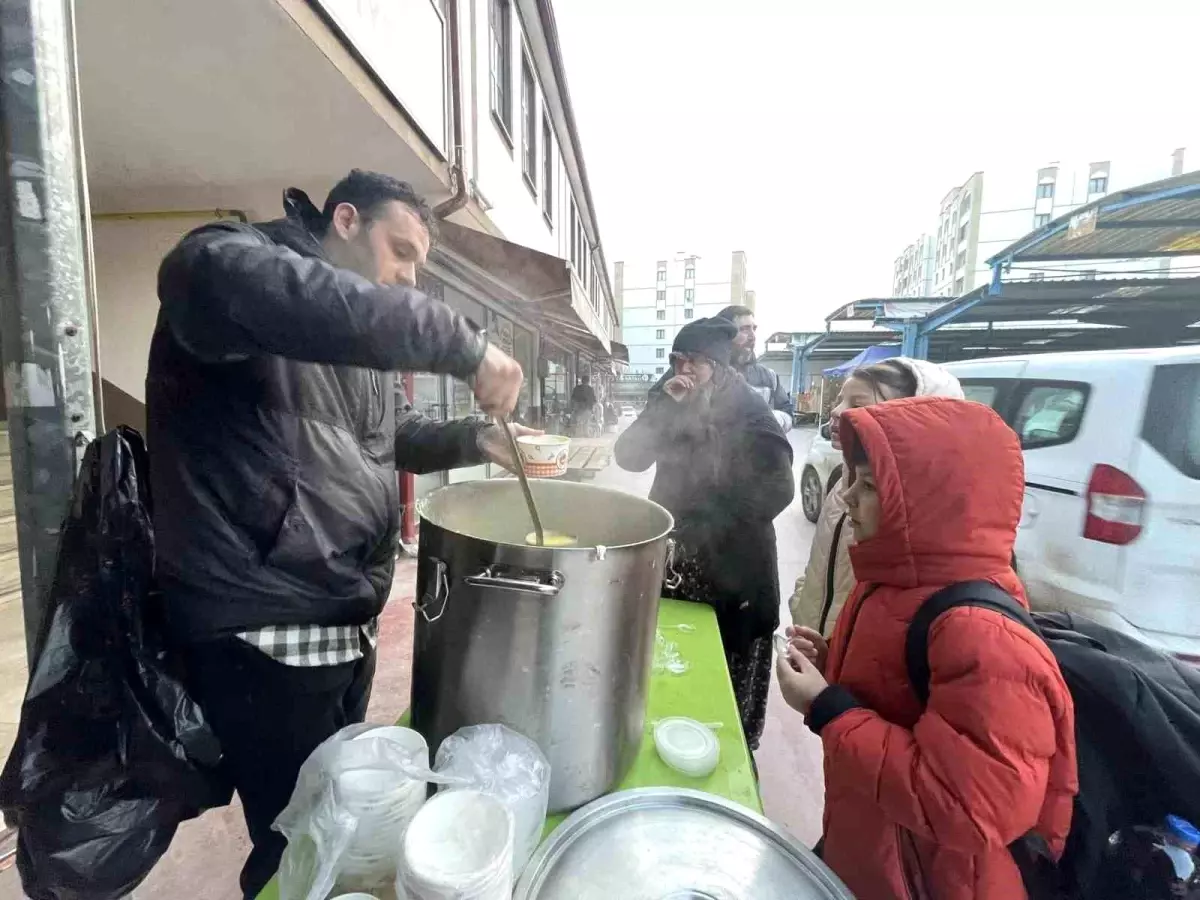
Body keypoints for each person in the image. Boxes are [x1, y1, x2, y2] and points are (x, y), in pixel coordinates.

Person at [147, 170, 531, 898]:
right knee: (296, 841)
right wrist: (462, 344)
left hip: (337, 620)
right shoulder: (235, 269)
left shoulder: (350, 341)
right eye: (402, 250)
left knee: (339, 823)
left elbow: (385, 440)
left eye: (418, 263)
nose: (409, 277)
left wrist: (476, 439)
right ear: (346, 220)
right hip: (261, 626)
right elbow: (263, 288)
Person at [776, 396, 1078, 900]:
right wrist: (834, 670)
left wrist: (826, 706)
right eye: (853, 479)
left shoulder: (982, 635)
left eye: (869, 486)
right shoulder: (890, 584)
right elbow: (903, 699)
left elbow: (971, 808)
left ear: (928, 503)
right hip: (877, 853)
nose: (847, 497)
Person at [614, 317, 794, 750]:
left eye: (693, 361)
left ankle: (734, 758)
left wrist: (705, 526)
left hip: (736, 567)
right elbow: (628, 457)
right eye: (677, 359)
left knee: (727, 700)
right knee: (673, 673)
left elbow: (778, 490)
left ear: (717, 364)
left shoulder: (748, 410)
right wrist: (663, 410)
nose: (683, 369)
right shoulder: (671, 393)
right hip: (679, 560)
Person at [790, 358, 962, 637]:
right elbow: (821, 564)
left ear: (913, 416)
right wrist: (802, 607)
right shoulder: (843, 481)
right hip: (818, 651)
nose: (836, 412)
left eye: (857, 405)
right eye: (839, 400)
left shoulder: (918, 508)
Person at [716, 305, 791, 417]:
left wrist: (771, 421)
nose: (752, 336)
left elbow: (788, 412)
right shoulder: (707, 375)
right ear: (725, 335)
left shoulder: (769, 377)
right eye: (744, 329)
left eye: (754, 329)